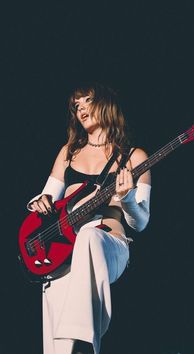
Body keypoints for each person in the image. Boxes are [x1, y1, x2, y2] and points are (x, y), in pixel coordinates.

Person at [27, 82, 151, 354]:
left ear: (106, 103)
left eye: (87, 101)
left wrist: (127, 198)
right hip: (64, 252)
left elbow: (140, 222)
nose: (80, 109)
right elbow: (44, 197)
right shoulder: (68, 152)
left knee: (89, 235)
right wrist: (40, 202)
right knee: (57, 345)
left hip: (109, 244)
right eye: (76, 106)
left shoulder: (133, 157)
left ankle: (83, 341)